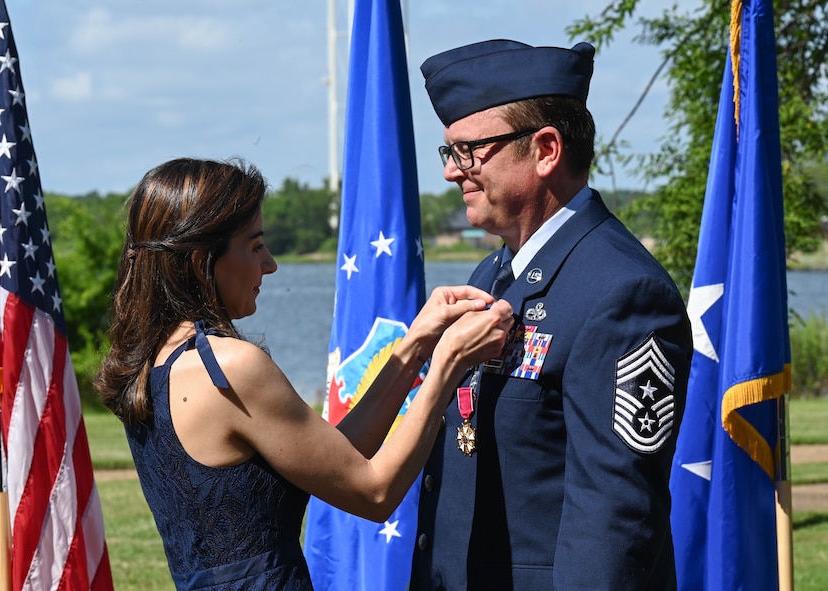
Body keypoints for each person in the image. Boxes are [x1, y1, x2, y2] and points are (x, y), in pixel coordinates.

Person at [94, 157, 514, 590]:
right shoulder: (229, 368)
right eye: (255, 246)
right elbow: (373, 492)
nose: (271, 264)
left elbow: (337, 458)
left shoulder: (156, 363)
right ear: (203, 259)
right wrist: (449, 362)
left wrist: (414, 346)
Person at [410, 40, 694, 590]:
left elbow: (612, 523)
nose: (453, 172)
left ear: (545, 150)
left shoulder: (622, 293)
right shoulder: (491, 276)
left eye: (469, 151)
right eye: (449, 153)